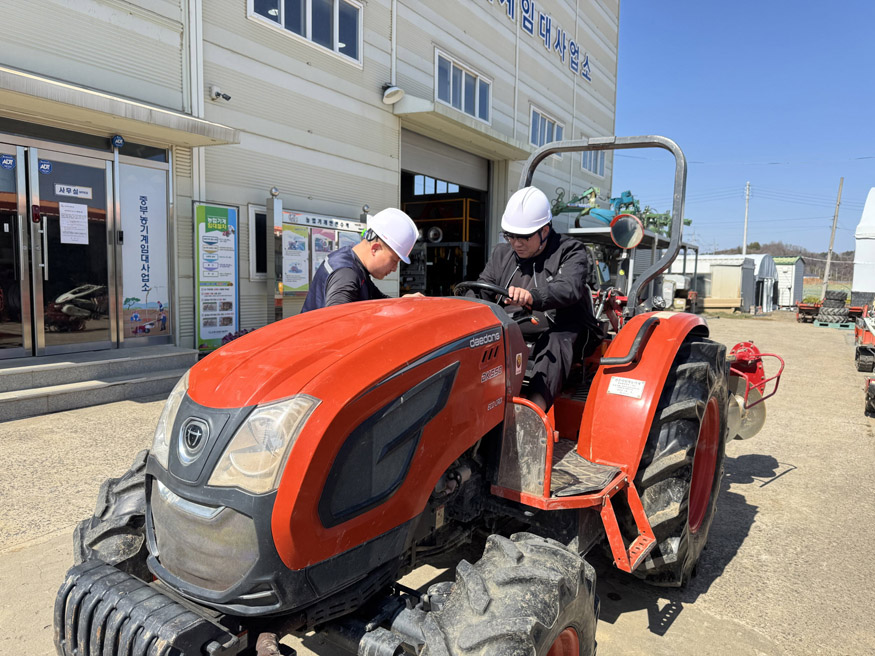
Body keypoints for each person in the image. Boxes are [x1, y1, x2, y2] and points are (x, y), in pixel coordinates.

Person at [469, 186, 599, 411]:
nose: (516, 243)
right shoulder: (502, 254)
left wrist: (532, 296)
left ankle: (533, 414)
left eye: (524, 237)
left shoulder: (571, 251)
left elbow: (569, 287)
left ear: (545, 231)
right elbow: (483, 289)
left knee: (555, 342)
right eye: (510, 236)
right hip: (516, 327)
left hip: (563, 330)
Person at [302, 208, 419, 312]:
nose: (394, 269)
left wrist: (401, 302)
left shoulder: (354, 264)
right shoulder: (346, 274)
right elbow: (337, 324)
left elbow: (378, 300)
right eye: (394, 260)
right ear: (375, 248)